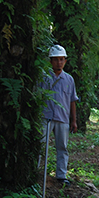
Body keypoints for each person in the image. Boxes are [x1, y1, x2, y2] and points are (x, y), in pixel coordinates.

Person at [40, 44, 78, 186]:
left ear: (65, 61)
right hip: (46, 117)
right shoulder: (43, 78)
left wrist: (73, 121)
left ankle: (61, 175)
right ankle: (39, 171)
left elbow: (72, 101)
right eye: (56, 60)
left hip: (62, 119)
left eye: (61, 59)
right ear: (51, 61)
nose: (59, 62)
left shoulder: (69, 80)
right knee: (41, 145)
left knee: (62, 147)